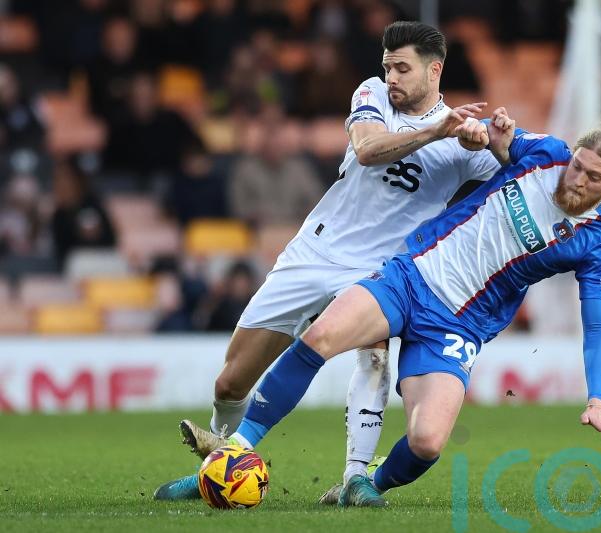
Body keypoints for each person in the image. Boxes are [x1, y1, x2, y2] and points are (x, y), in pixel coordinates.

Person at [179, 107, 601, 508]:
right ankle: (232, 451)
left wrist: (597, 399)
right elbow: (492, 137)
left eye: (593, 178)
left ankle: (367, 483)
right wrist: (487, 129)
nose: (577, 179)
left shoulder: (597, 244)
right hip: (413, 275)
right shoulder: (546, 155)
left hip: (459, 325)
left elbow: (597, 327)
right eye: (578, 166)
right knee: (320, 337)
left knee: (428, 442)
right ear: (571, 155)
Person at [153, 21, 499, 501]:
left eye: (403, 68)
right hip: (316, 250)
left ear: (434, 69)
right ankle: (219, 464)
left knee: (375, 356)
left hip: (381, 269)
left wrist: (493, 139)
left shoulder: (460, 137)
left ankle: (356, 476)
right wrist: (435, 130)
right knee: (231, 381)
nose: (392, 76)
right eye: (388, 66)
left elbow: (513, 167)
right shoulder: (372, 93)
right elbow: (368, 149)